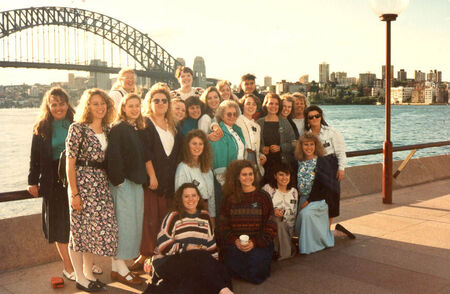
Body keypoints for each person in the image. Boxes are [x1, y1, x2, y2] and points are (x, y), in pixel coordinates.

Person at [66, 88, 118, 292]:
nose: (100, 107)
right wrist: (75, 193)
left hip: (101, 185)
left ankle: (88, 274)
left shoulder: (108, 129)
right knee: (79, 231)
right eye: (95, 103)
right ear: (87, 106)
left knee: (93, 232)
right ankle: (79, 277)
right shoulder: (77, 128)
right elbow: (70, 165)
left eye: (103, 103)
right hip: (83, 183)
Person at [130, 84, 184, 271]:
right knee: (150, 218)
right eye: (156, 100)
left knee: (166, 219)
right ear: (150, 103)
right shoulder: (145, 124)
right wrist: (152, 176)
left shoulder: (173, 125)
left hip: (170, 181)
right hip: (153, 181)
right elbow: (146, 154)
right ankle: (146, 255)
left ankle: (162, 254)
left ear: (168, 104)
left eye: (164, 100)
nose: (160, 103)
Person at [144, 183, 233, 294]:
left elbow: (211, 246)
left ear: (199, 197)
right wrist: (187, 247)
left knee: (220, 270)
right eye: (186, 196)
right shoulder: (173, 216)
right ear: (180, 199)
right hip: (167, 263)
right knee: (198, 255)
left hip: (196, 264)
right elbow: (163, 246)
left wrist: (213, 267)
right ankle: (223, 290)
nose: (190, 199)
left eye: (194, 195)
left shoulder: (205, 216)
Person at [27, 87, 76, 281]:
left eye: (61, 103)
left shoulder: (76, 122)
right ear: (48, 106)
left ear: (67, 103)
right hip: (52, 181)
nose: (58, 107)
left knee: (79, 224)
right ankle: (68, 266)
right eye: (54, 104)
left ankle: (85, 263)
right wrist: (32, 181)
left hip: (74, 178)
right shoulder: (41, 127)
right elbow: (34, 158)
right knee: (59, 225)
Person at [107, 93, 150, 285]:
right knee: (124, 227)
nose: (134, 109)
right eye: (130, 106)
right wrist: (119, 182)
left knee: (129, 226)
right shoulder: (119, 128)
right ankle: (122, 268)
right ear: (123, 108)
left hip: (133, 183)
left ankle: (117, 268)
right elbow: (113, 157)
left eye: (137, 106)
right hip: (124, 185)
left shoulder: (132, 128)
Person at [216, 160, 277, 285]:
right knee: (230, 261)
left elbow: (271, 225)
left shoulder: (263, 196)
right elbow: (223, 226)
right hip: (235, 243)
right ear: (237, 177)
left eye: (250, 174)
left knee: (256, 268)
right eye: (244, 174)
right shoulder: (229, 198)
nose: (248, 177)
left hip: (258, 242)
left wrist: (254, 243)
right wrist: (235, 241)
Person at [304, 105, 354, 238]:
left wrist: (341, 168)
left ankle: (327, 231)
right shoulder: (306, 135)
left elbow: (340, 151)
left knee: (331, 199)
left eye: (317, 116)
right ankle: (318, 231)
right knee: (316, 199)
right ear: (307, 119)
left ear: (321, 117)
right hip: (314, 166)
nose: (314, 118)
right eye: (311, 117)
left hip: (330, 166)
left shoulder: (331, 131)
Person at [294, 133, 335, 254]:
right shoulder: (298, 162)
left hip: (318, 200)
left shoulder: (322, 162)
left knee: (306, 214)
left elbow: (325, 187)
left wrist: (309, 200)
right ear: (301, 146)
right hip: (302, 199)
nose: (308, 147)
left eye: (311, 144)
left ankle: (309, 247)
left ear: (316, 146)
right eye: (305, 144)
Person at [175, 129, 216, 224]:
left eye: (200, 144)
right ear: (187, 145)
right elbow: (179, 196)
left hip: (206, 212)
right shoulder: (183, 167)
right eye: (194, 143)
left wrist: (212, 216)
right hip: (191, 212)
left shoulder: (207, 168)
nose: (197, 147)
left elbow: (211, 196)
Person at [257, 92, 295, 184]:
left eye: (276, 104)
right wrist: (262, 148)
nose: (274, 106)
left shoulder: (285, 123)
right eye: (271, 103)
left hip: (281, 164)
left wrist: (281, 148)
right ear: (265, 105)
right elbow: (254, 142)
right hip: (264, 164)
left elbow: (293, 143)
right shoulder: (259, 122)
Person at [262, 163, 298, 260]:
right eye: (281, 175)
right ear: (275, 176)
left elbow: (294, 213)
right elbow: (260, 208)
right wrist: (272, 211)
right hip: (272, 228)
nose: (284, 178)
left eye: (287, 175)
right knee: (278, 221)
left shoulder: (294, 191)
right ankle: (285, 253)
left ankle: (284, 248)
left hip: (288, 230)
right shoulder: (268, 189)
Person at [210, 100, 245, 186]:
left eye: (235, 114)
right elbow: (219, 162)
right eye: (229, 114)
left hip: (239, 175)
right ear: (222, 115)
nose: (232, 116)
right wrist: (225, 184)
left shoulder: (237, 130)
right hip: (227, 180)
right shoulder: (219, 132)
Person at [235, 94, 266, 177]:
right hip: (241, 158)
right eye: (248, 103)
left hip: (254, 159)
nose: (251, 106)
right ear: (243, 105)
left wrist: (261, 155)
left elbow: (256, 147)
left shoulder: (257, 126)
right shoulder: (236, 121)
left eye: (254, 104)